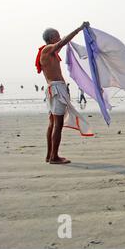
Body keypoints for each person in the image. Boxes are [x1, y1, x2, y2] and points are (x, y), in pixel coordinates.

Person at [36, 22, 91, 165]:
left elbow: (62, 44)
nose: (59, 37)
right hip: (56, 89)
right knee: (57, 124)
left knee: (52, 123)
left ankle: (49, 155)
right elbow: (64, 42)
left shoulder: (49, 52)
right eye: (57, 36)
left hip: (52, 89)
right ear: (51, 38)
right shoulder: (47, 49)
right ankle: (54, 157)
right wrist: (79, 29)